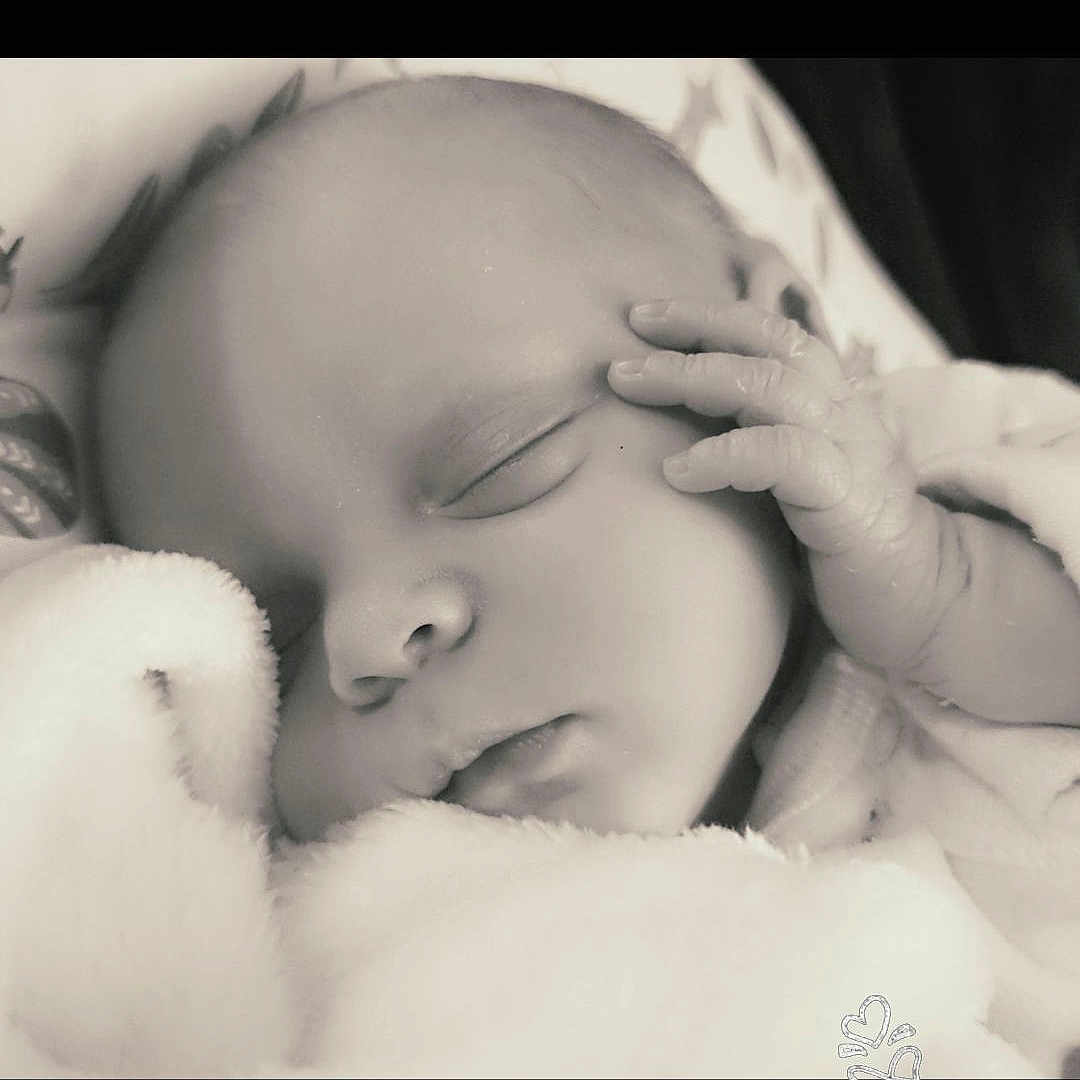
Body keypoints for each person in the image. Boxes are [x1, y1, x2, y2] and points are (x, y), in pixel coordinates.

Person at [97, 75, 1080, 851]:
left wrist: (948, 589)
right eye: (287, 638)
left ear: (771, 345)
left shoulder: (965, 468)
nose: (365, 638)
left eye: (502, 463)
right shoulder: (417, 944)